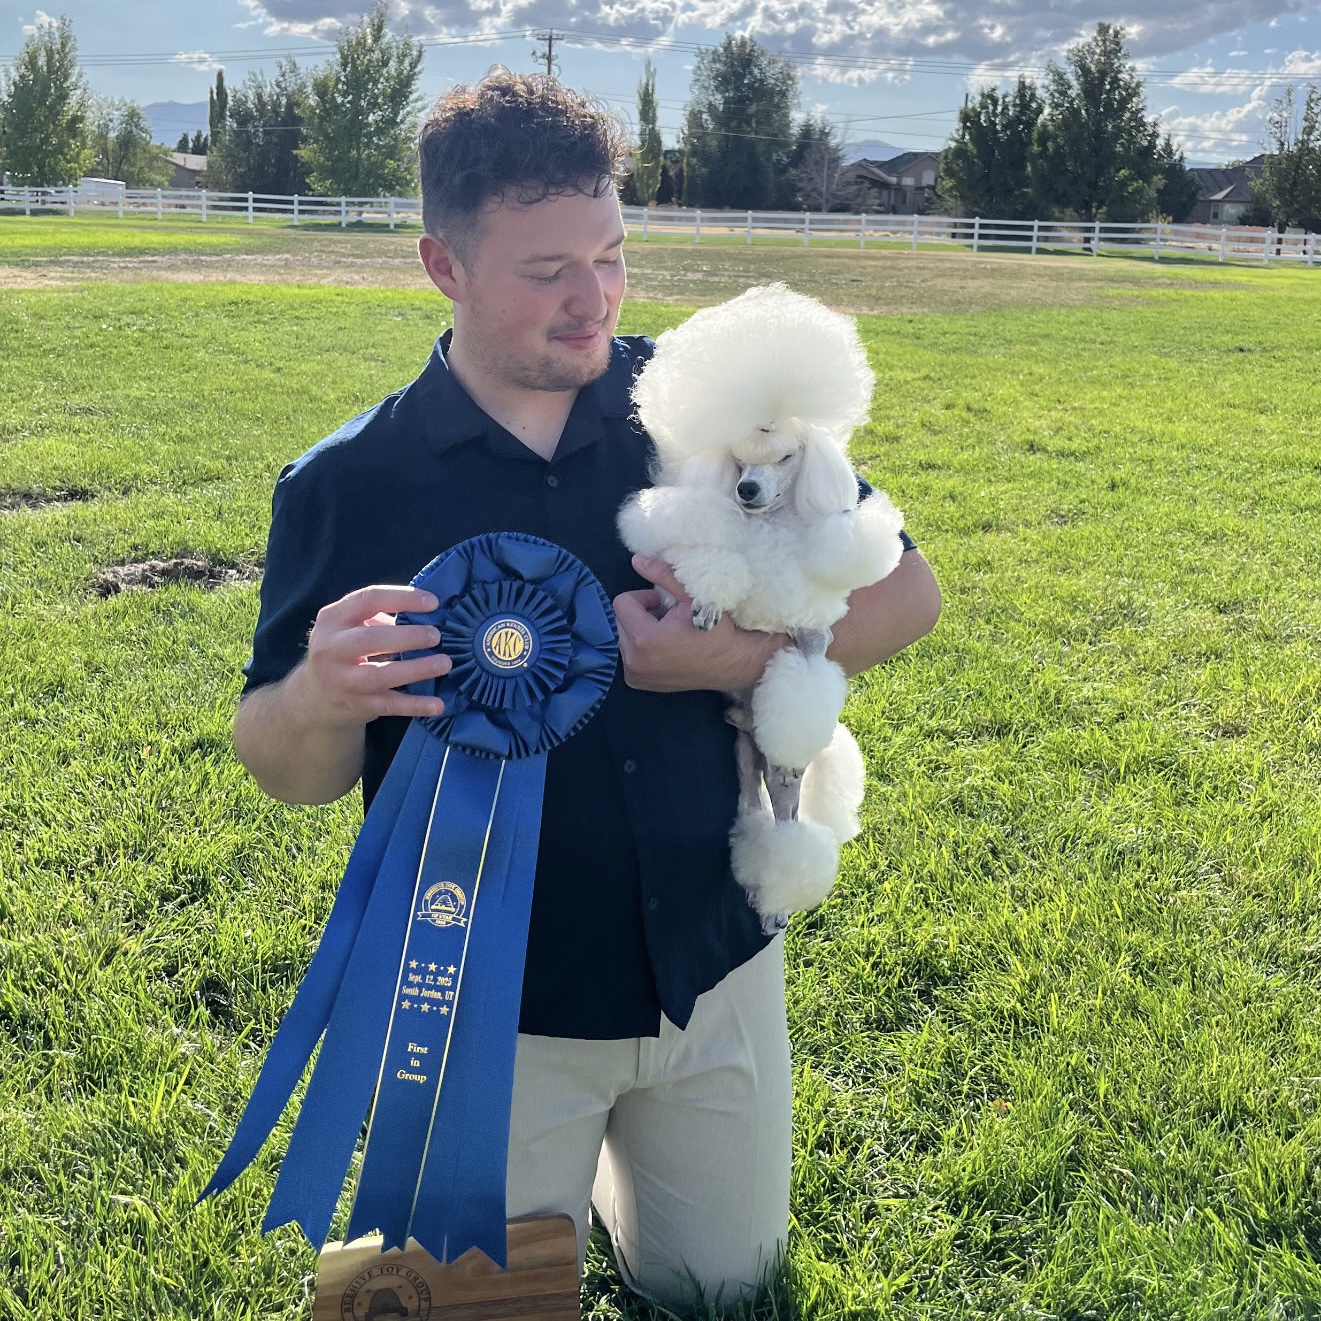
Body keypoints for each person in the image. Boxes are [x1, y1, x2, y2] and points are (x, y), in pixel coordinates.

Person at [234, 70, 941, 1312]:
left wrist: (735, 661)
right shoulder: (346, 485)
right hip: (490, 1004)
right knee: (484, 1306)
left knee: (726, 1293)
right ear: (443, 265)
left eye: (611, 255)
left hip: (713, 960)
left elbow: (908, 594)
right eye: (548, 269)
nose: (595, 299)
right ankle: (561, 1170)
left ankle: (621, 1177)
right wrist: (319, 698)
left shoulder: (706, 413)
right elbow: (284, 767)